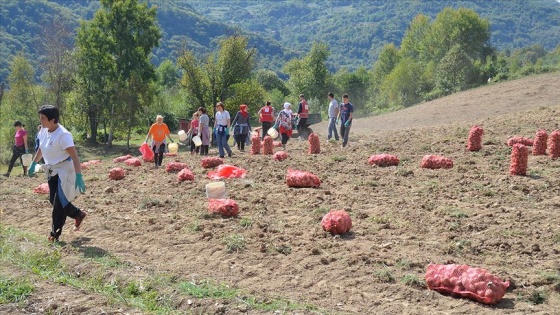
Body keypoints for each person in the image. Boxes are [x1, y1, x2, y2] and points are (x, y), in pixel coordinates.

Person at [27, 105, 87, 242]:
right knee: (53, 200)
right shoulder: (44, 130)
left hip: (65, 170)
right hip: (51, 169)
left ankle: (55, 234)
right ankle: (78, 214)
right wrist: (33, 163)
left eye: (43, 118)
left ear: (53, 120)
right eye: (40, 118)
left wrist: (78, 176)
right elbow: (41, 148)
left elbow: (75, 158)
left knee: (59, 203)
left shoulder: (64, 135)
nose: (40, 121)